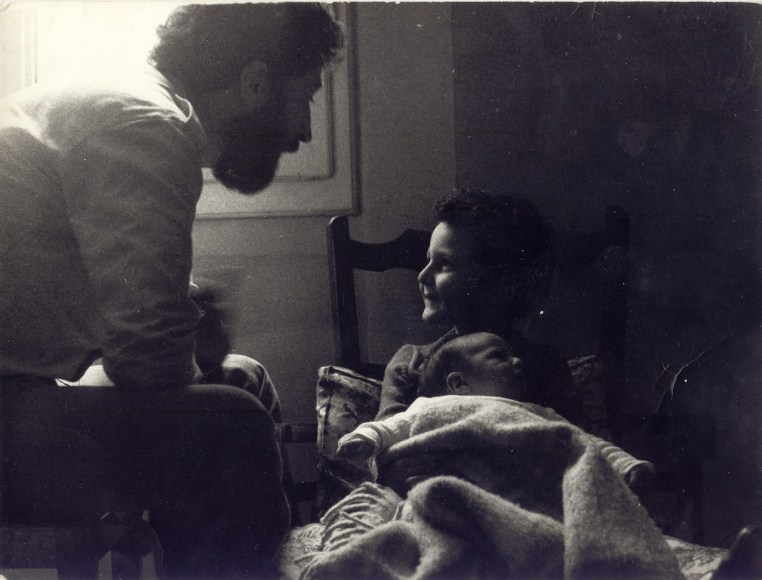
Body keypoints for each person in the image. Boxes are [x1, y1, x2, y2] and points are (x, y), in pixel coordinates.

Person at [0, 3, 343, 578]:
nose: (305, 131)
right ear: (255, 82)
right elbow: (147, 356)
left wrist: (185, 331)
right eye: (305, 97)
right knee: (232, 426)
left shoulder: (126, 106)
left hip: (20, 391)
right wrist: (180, 340)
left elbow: (110, 305)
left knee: (243, 378)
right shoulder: (144, 124)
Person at [375, 188, 585, 490]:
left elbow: (579, 453)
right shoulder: (411, 362)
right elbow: (386, 455)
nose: (422, 276)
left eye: (444, 264)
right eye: (428, 260)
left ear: (498, 282)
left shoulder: (542, 365)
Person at [339, 332, 653, 489]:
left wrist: (626, 465)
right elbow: (392, 426)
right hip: (440, 491)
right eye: (499, 357)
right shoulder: (430, 405)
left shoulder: (536, 411)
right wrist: (364, 438)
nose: (517, 362)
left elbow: (586, 443)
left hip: (513, 497)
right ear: (459, 383)